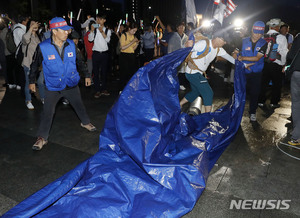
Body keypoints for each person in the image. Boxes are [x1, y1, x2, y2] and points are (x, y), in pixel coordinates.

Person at [29, 17, 96, 151]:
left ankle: (85, 122)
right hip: (53, 87)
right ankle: (42, 137)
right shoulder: (43, 47)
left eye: (68, 30)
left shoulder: (71, 44)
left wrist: (87, 75)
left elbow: (80, 61)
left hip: (71, 83)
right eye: (64, 30)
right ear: (54, 31)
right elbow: (34, 65)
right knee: (48, 112)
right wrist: (32, 81)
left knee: (79, 105)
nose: (67, 33)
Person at [180, 33, 236, 113]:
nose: (225, 43)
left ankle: (179, 104)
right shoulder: (203, 44)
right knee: (208, 93)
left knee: (195, 92)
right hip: (192, 73)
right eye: (224, 41)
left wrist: (244, 65)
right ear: (218, 38)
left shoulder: (218, 49)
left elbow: (231, 59)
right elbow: (186, 49)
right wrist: (186, 45)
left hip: (198, 73)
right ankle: (207, 117)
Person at [237, 21, 267, 121]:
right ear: (252, 30)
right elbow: (236, 52)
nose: (257, 35)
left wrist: (242, 57)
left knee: (255, 93)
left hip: (256, 72)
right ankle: (238, 111)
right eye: (255, 32)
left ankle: (252, 112)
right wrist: (237, 56)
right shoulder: (243, 40)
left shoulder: (264, 43)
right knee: (241, 91)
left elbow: (257, 58)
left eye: (260, 33)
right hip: (244, 71)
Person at [258, 18, 289, 109]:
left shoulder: (263, 36)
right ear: (277, 27)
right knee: (277, 84)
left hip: (264, 63)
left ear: (270, 26)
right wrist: (284, 63)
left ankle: (260, 101)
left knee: (263, 83)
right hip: (276, 63)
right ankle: (274, 102)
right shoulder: (281, 37)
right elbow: (284, 52)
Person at [22, 19, 45, 109]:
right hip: (28, 64)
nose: (35, 25)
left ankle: (43, 98)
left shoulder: (38, 37)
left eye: (35, 24)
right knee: (29, 83)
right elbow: (25, 40)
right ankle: (28, 100)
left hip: (39, 65)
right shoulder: (26, 36)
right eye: (32, 24)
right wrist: (31, 28)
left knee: (40, 82)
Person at [88, 14, 111, 98]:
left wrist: (101, 31)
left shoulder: (107, 30)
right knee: (96, 72)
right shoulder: (94, 30)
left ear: (104, 20)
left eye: (100, 19)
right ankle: (97, 90)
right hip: (96, 53)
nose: (98, 21)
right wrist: (91, 31)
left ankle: (104, 89)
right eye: (97, 19)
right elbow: (90, 39)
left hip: (104, 53)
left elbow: (108, 40)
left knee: (104, 72)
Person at [286, 33, 300, 146]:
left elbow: (290, 56)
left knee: (296, 104)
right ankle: (297, 135)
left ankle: (296, 134)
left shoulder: (298, 37)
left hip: (296, 73)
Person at [119, 22, 139, 90]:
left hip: (131, 55)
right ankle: (122, 89)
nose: (134, 32)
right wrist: (132, 42)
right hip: (124, 56)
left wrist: (136, 44)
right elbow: (122, 47)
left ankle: (129, 89)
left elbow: (132, 49)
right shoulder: (124, 35)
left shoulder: (133, 36)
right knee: (124, 73)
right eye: (133, 30)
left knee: (130, 73)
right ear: (129, 28)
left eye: (135, 31)